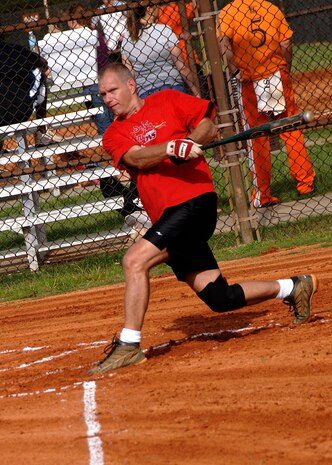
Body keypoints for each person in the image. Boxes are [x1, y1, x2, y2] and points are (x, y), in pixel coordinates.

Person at [87, 63, 319, 374]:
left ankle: (129, 345)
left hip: (193, 203)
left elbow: (209, 126)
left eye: (112, 90)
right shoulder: (115, 133)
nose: (107, 98)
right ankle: (293, 287)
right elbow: (135, 157)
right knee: (219, 297)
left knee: (134, 261)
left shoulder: (168, 99)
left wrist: (192, 139)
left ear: (130, 85)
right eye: (103, 94)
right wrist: (171, 146)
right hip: (168, 217)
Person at [216, 0, 315, 208]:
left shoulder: (228, 12)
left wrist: (235, 69)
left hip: (250, 80)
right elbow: (286, 42)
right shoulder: (270, 7)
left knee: (257, 136)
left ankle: (263, 193)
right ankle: (305, 182)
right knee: (290, 127)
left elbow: (223, 44)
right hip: (276, 73)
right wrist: (285, 66)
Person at [121, 4, 201, 98]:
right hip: (172, 87)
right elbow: (182, 67)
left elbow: (130, 74)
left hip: (145, 93)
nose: (159, 8)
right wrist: (196, 92)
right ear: (149, 9)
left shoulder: (127, 39)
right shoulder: (164, 30)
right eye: (156, 5)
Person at [0, 32, 49, 151]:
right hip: (21, 111)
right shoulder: (14, 49)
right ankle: (41, 130)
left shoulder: (14, 49)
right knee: (39, 74)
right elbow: (43, 63)